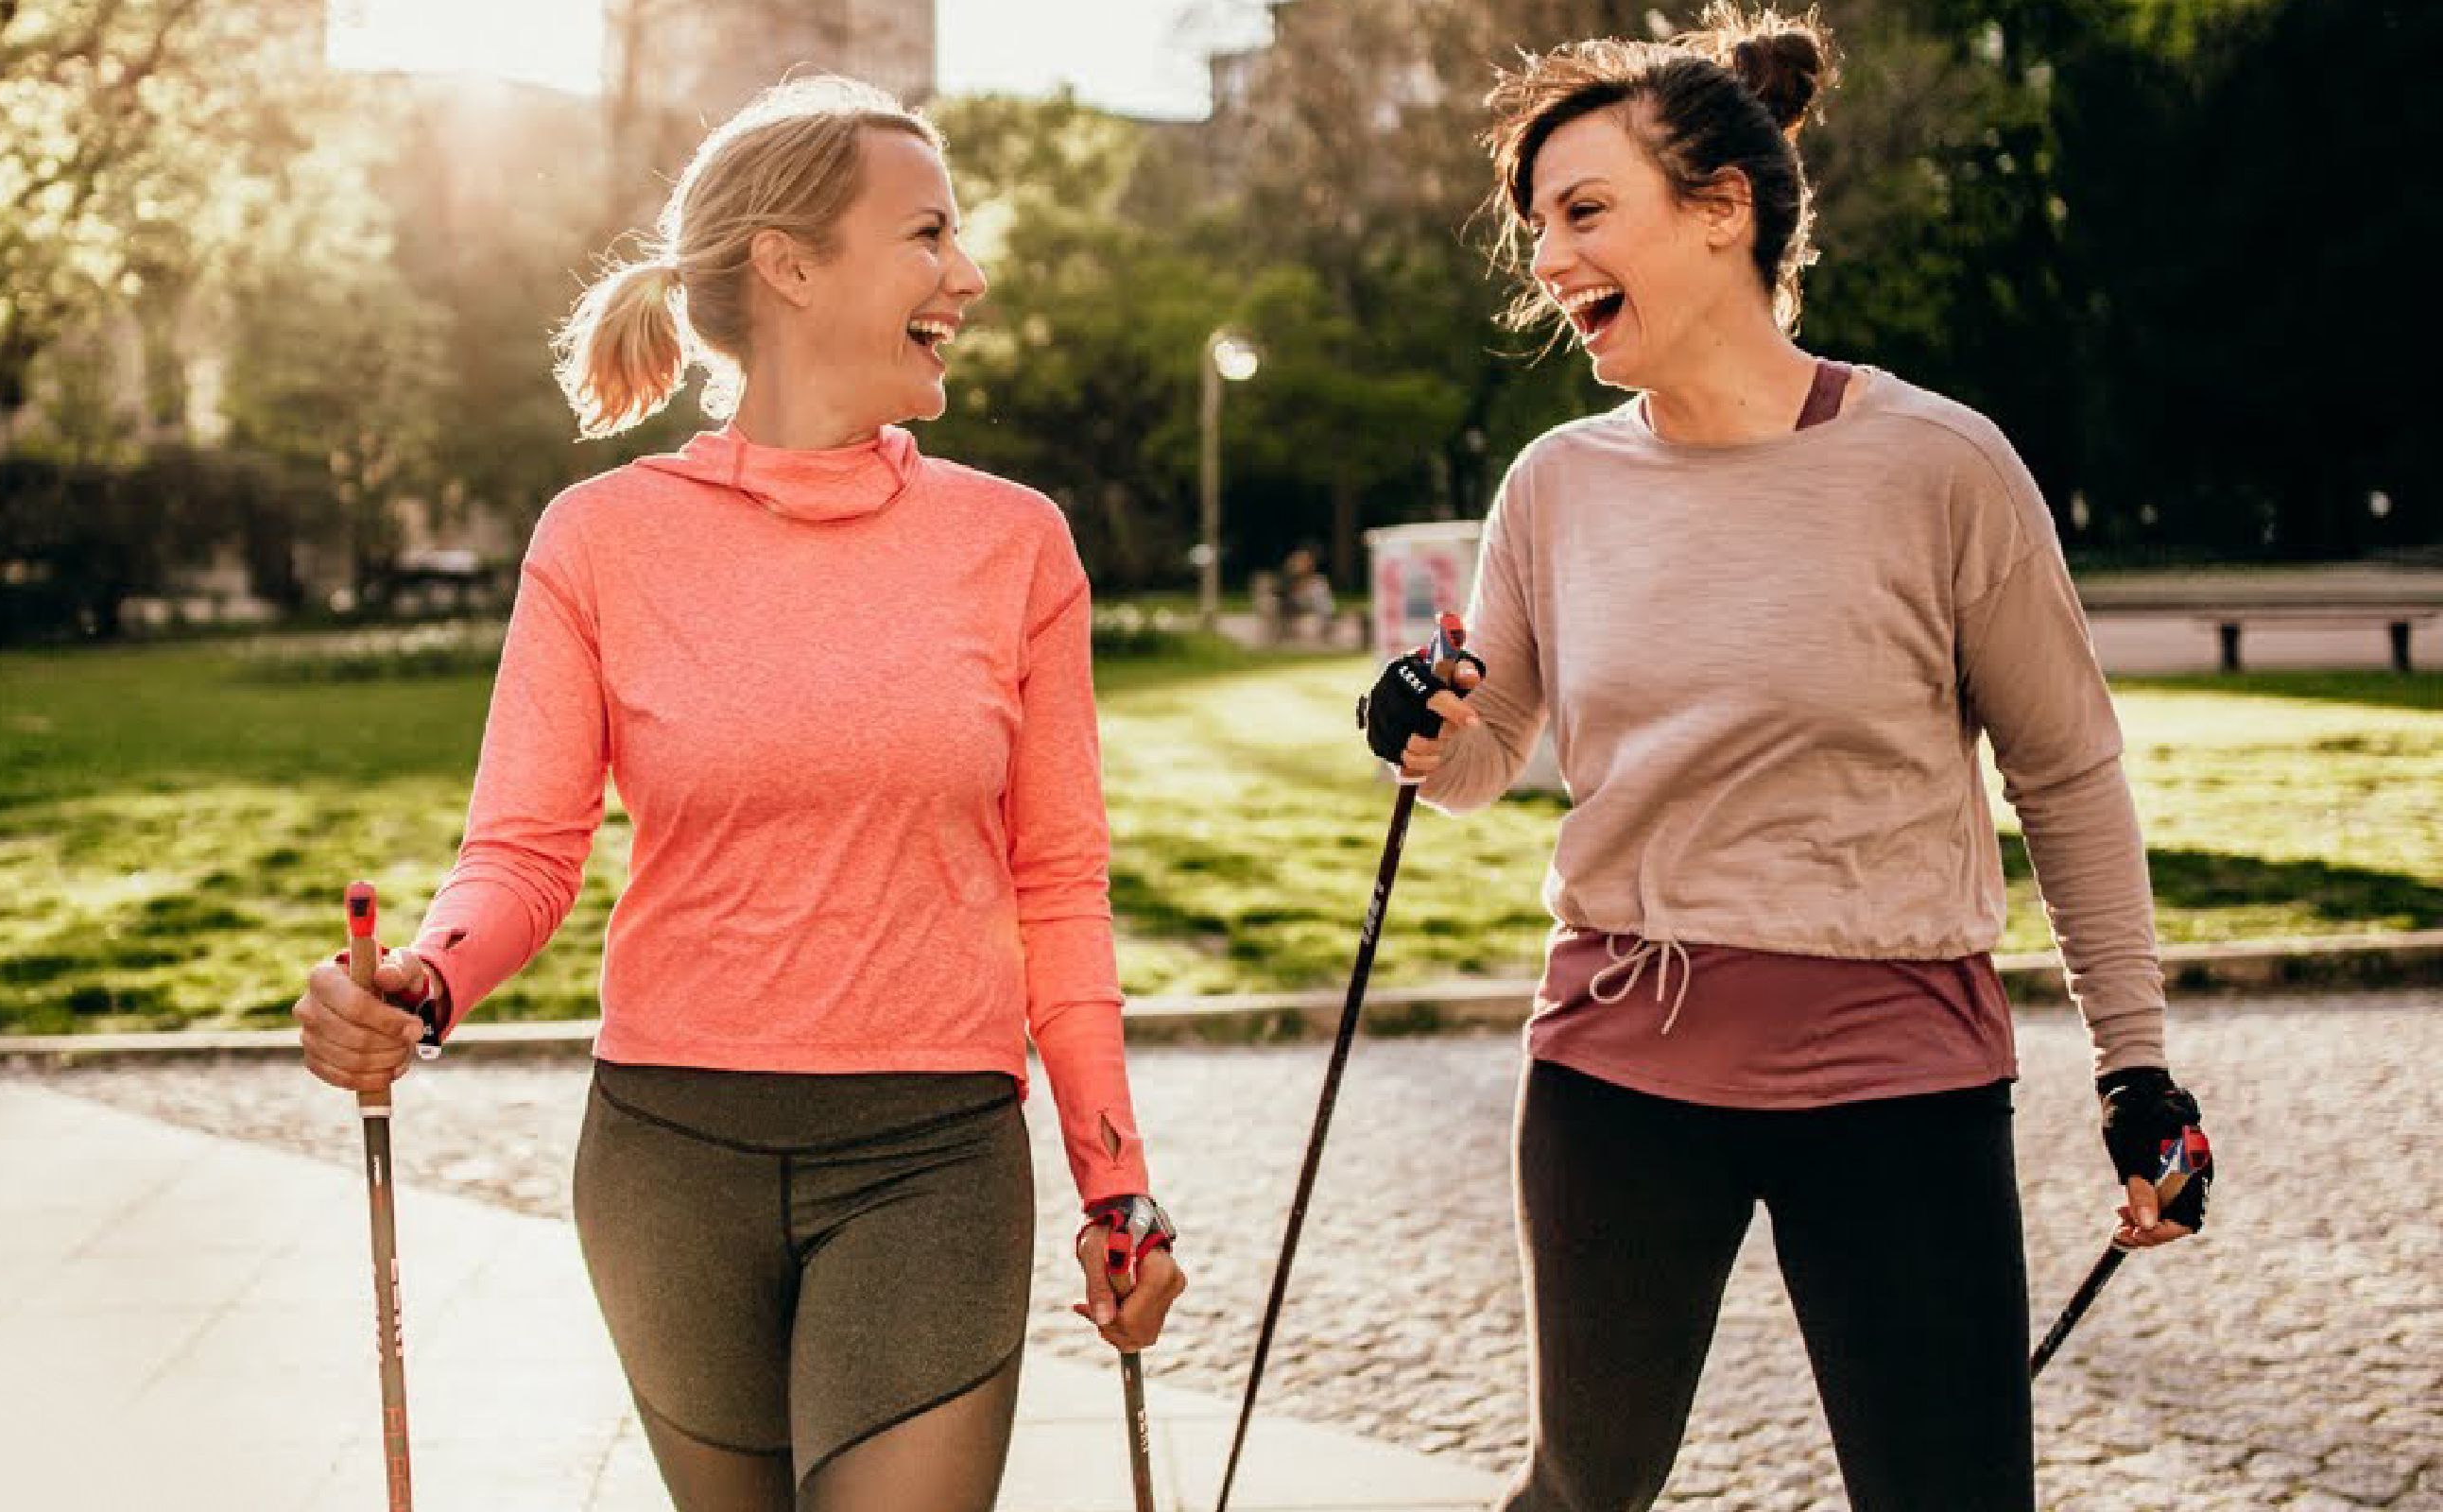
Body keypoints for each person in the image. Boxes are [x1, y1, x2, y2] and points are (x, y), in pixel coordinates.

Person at [288, 76, 1184, 1512]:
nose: (969, 275)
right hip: (669, 1163)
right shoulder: (600, 540)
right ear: (790, 263)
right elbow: (523, 853)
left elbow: (1059, 890)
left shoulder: (1015, 545)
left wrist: (1115, 1184)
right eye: (929, 235)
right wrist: (418, 985)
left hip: (933, 1156)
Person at [1366, 8, 2215, 1509]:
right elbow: (1488, 751)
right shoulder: (1556, 485)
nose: (1547, 261)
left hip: (1896, 1070)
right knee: (1580, 1492)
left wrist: (2135, 1071)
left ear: (1721, 211)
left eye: (1583, 213)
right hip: (1619, 1064)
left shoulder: (1939, 465)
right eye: (1536, 229)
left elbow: (2068, 773)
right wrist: (1421, 729)